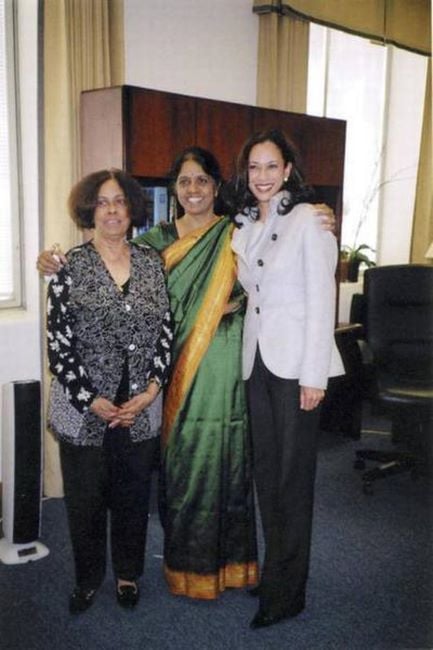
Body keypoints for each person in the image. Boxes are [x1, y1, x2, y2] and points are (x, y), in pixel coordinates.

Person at [37, 146, 336, 602]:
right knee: (172, 472)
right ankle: (155, 569)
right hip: (172, 373)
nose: (193, 189)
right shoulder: (153, 244)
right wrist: (48, 262)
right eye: (184, 181)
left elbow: (277, 257)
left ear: (217, 187)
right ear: (173, 190)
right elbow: (80, 303)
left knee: (226, 465)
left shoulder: (238, 229)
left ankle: (228, 567)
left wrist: (318, 211)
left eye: (202, 181)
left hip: (225, 370)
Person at [228, 129, 344, 629]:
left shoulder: (309, 221)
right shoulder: (245, 226)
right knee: (268, 479)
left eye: (271, 166)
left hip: (297, 367)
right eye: (254, 167)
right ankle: (276, 571)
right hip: (257, 363)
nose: (262, 176)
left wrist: (314, 374)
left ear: (288, 170)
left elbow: (323, 300)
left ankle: (288, 593)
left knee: (293, 483)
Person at [46, 169, 172, 614]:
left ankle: (127, 575)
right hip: (86, 410)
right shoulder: (69, 266)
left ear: (131, 208)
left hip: (139, 408)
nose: (113, 210)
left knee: (133, 498)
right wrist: (91, 400)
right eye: (102, 202)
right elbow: (59, 343)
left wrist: (153, 389)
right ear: (90, 211)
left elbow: (165, 334)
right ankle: (86, 578)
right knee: (85, 501)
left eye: (120, 201)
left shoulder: (152, 262)